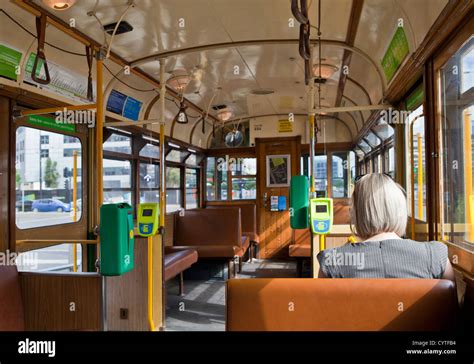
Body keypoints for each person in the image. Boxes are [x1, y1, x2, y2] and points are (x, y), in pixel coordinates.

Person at [317, 173, 455, 281]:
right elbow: (450, 311)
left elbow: (323, 313)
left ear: (357, 214)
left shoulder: (331, 262)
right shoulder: (436, 256)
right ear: (399, 208)